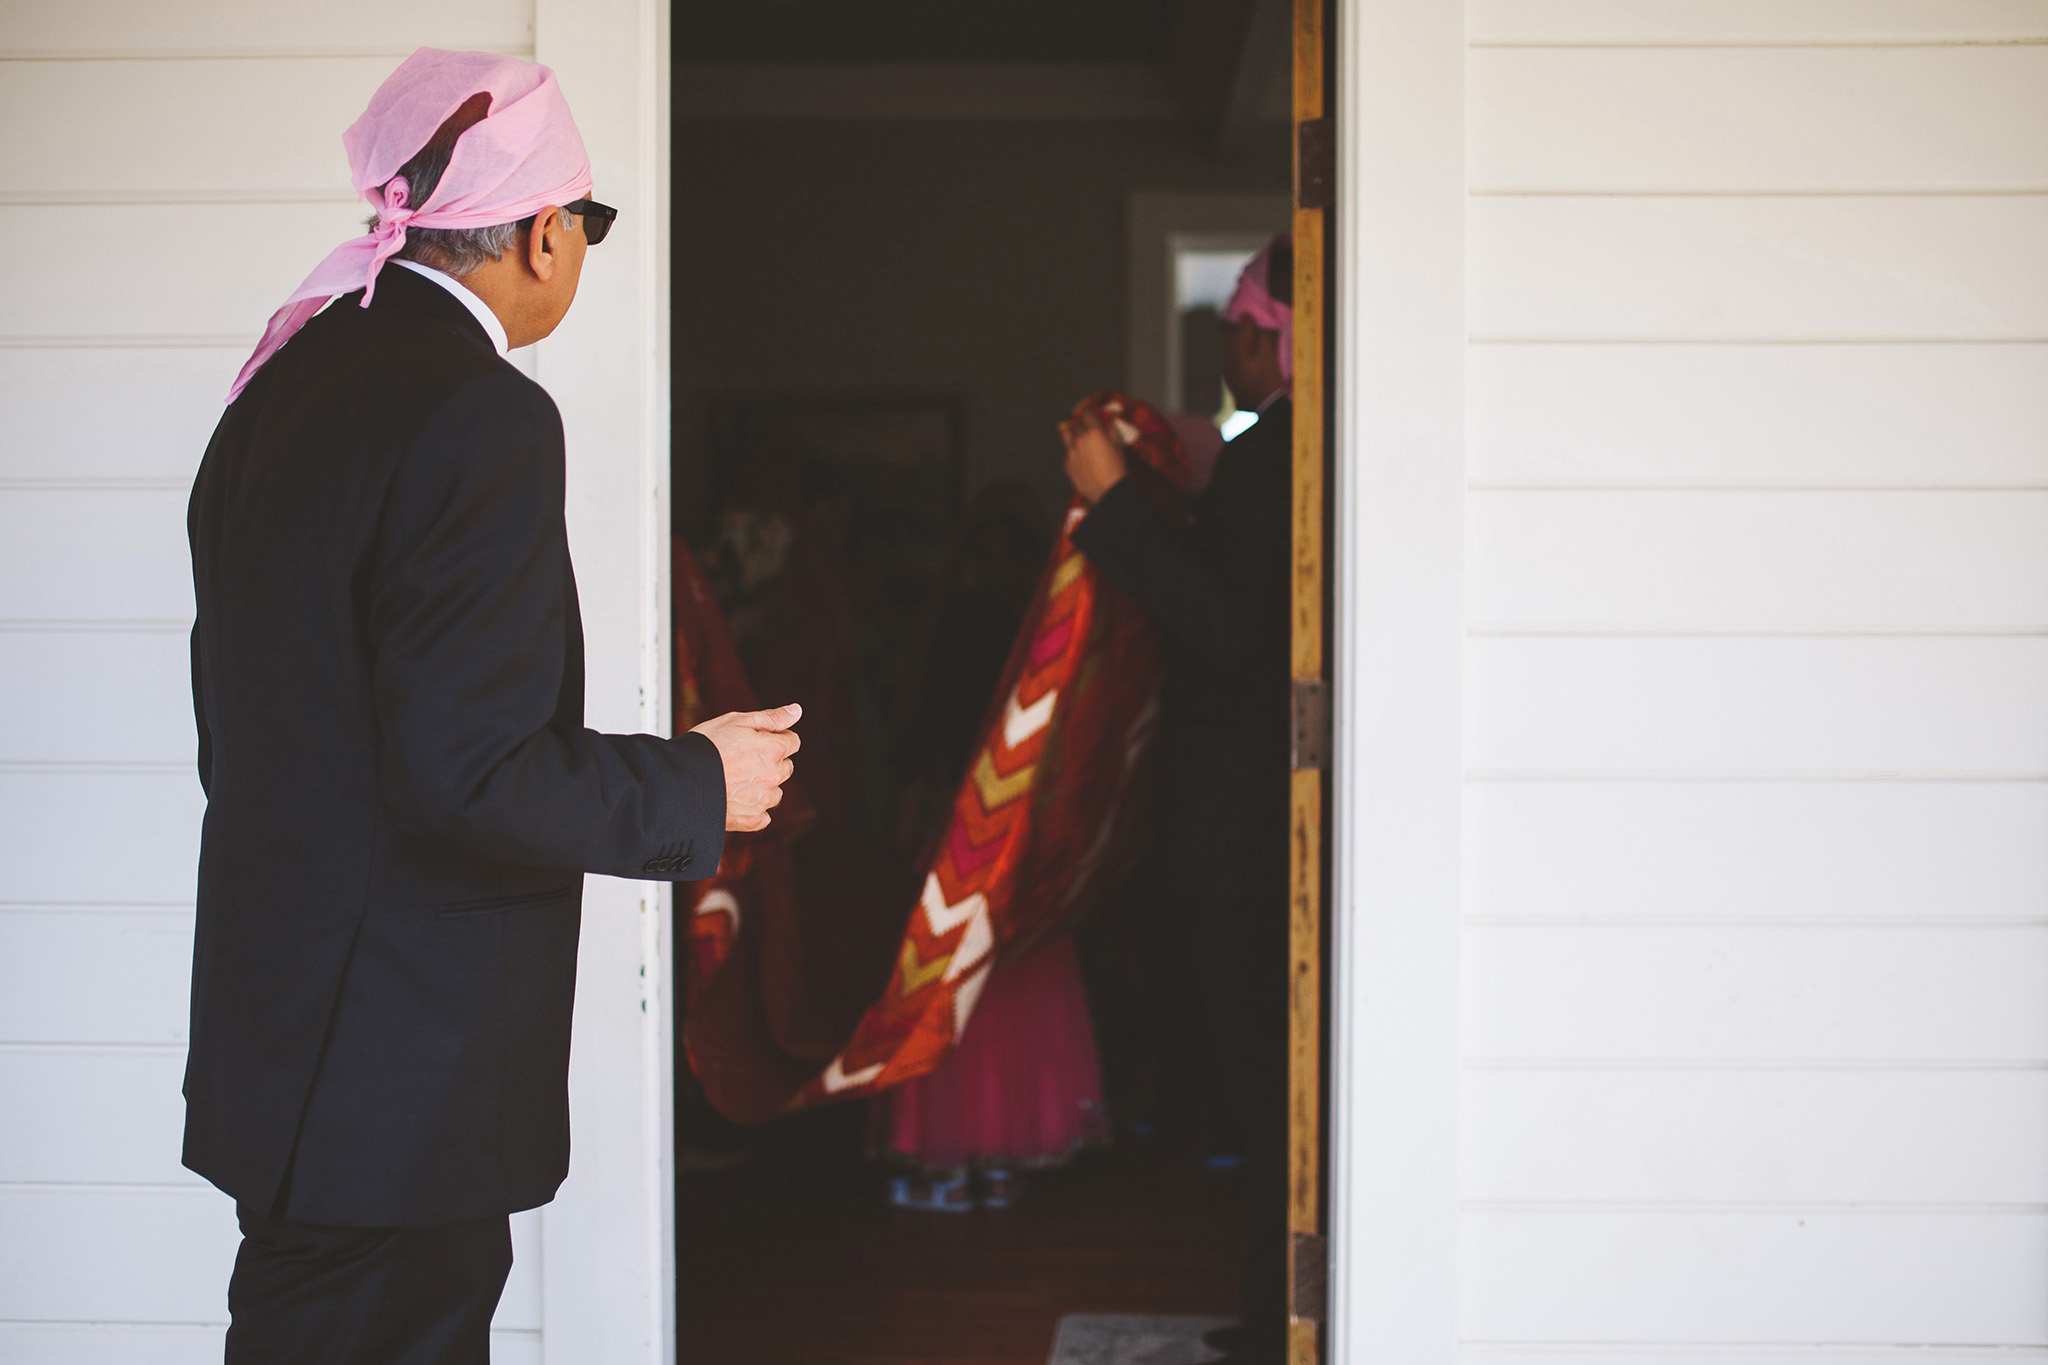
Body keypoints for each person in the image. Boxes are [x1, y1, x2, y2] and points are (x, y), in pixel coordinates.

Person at [184, 49, 800, 1362]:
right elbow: (465, 771)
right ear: (541, 231)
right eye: (587, 222)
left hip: (281, 1030)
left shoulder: (275, 387)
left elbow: (234, 721)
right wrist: (698, 781)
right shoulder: (480, 412)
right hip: (395, 1065)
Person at [1058, 235, 1295, 1365]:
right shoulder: (1283, 455)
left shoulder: (1273, 456)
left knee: (1263, 1082)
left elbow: (1224, 626)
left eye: (1234, 336)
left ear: (1261, 338)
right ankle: (1274, 1312)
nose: (1228, 357)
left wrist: (1113, 501)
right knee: (1271, 1081)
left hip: (1241, 827)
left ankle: (1278, 1324)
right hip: (1262, 822)